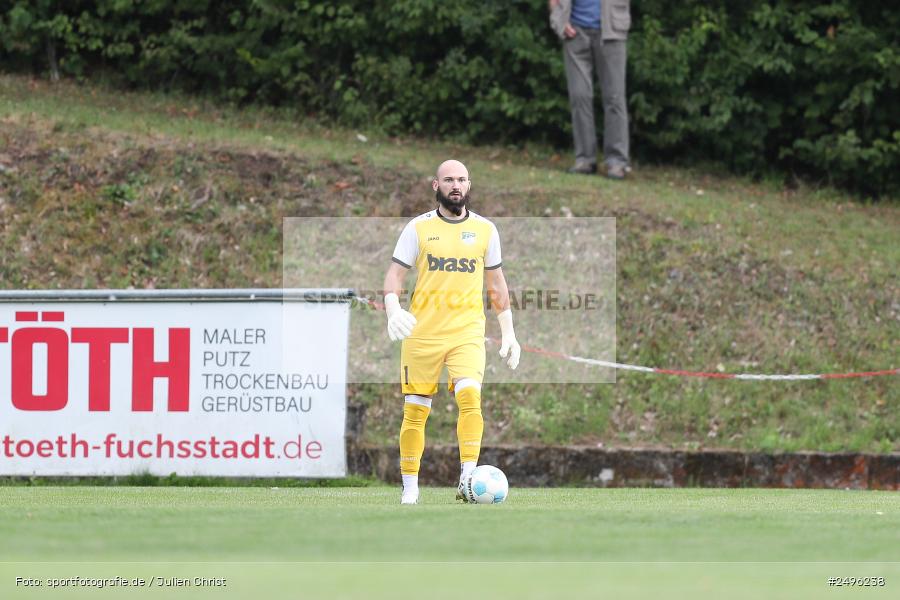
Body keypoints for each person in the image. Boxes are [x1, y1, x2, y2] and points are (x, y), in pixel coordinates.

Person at [382, 159, 521, 505]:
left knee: (470, 397)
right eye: (448, 180)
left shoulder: (486, 230)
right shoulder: (417, 228)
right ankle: (410, 490)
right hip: (422, 334)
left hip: (466, 333)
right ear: (436, 186)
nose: (455, 185)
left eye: (461, 179)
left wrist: (509, 331)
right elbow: (395, 275)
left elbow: (496, 282)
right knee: (415, 410)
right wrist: (393, 309)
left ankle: (467, 478)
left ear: (469, 185)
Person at [549, 0, 631, 179]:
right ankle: (585, 160)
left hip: (612, 30)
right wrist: (558, 19)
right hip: (575, 33)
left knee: (615, 98)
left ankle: (617, 162)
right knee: (580, 97)